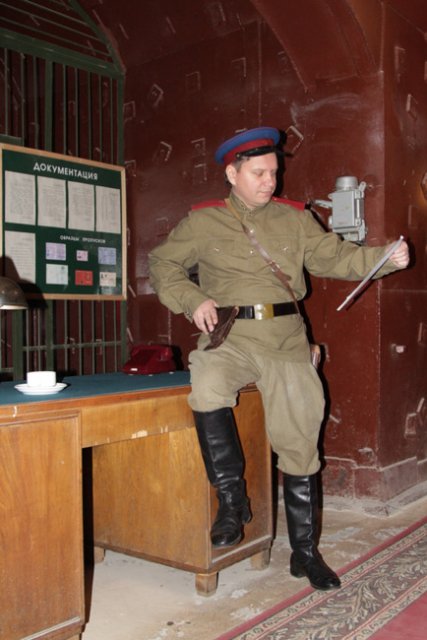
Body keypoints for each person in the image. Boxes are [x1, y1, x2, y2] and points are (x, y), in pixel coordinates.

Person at [148, 126, 410, 591]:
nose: (270, 181)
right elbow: (162, 264)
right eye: (259, 173)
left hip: (286, 338)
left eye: (274, 172)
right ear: (232, 174)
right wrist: (193, 299)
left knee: (300, 441)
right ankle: (232, 503)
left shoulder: (295, 218)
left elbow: (334, 258)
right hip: (231, 337)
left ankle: (305, 552)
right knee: (206, 385)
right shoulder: (203, 222)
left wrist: (384, 258)